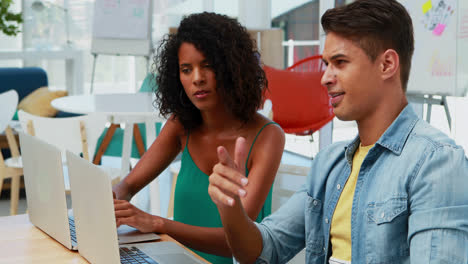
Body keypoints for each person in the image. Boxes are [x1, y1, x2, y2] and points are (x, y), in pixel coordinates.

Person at [208, 0, 468, 263]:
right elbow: (264, 250)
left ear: (387, 65)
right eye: (326, 64)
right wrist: (231, 210)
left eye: (340, 62)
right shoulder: (328, 164)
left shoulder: (436, 162)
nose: (325, 77)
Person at [112, 12, 285, 264]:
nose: (197, 78)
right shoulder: (180, 125)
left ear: (232, 68)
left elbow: (238, 242)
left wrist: (159, 224)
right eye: (186, 69)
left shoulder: (268, 136)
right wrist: (113, 199)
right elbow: (127, 186)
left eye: (208, 65)